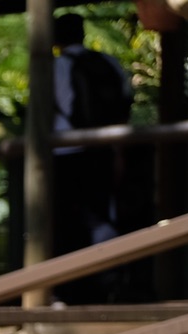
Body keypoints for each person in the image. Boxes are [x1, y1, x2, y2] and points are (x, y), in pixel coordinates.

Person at [52, 13, 132, 268]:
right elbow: (125, 102)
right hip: (106, 148)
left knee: (70, 217)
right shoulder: (108, 62)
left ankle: (75, 280)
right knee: (103, 210)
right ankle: (110, 272)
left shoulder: (56, 66)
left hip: (67, 152)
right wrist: (118, 150)